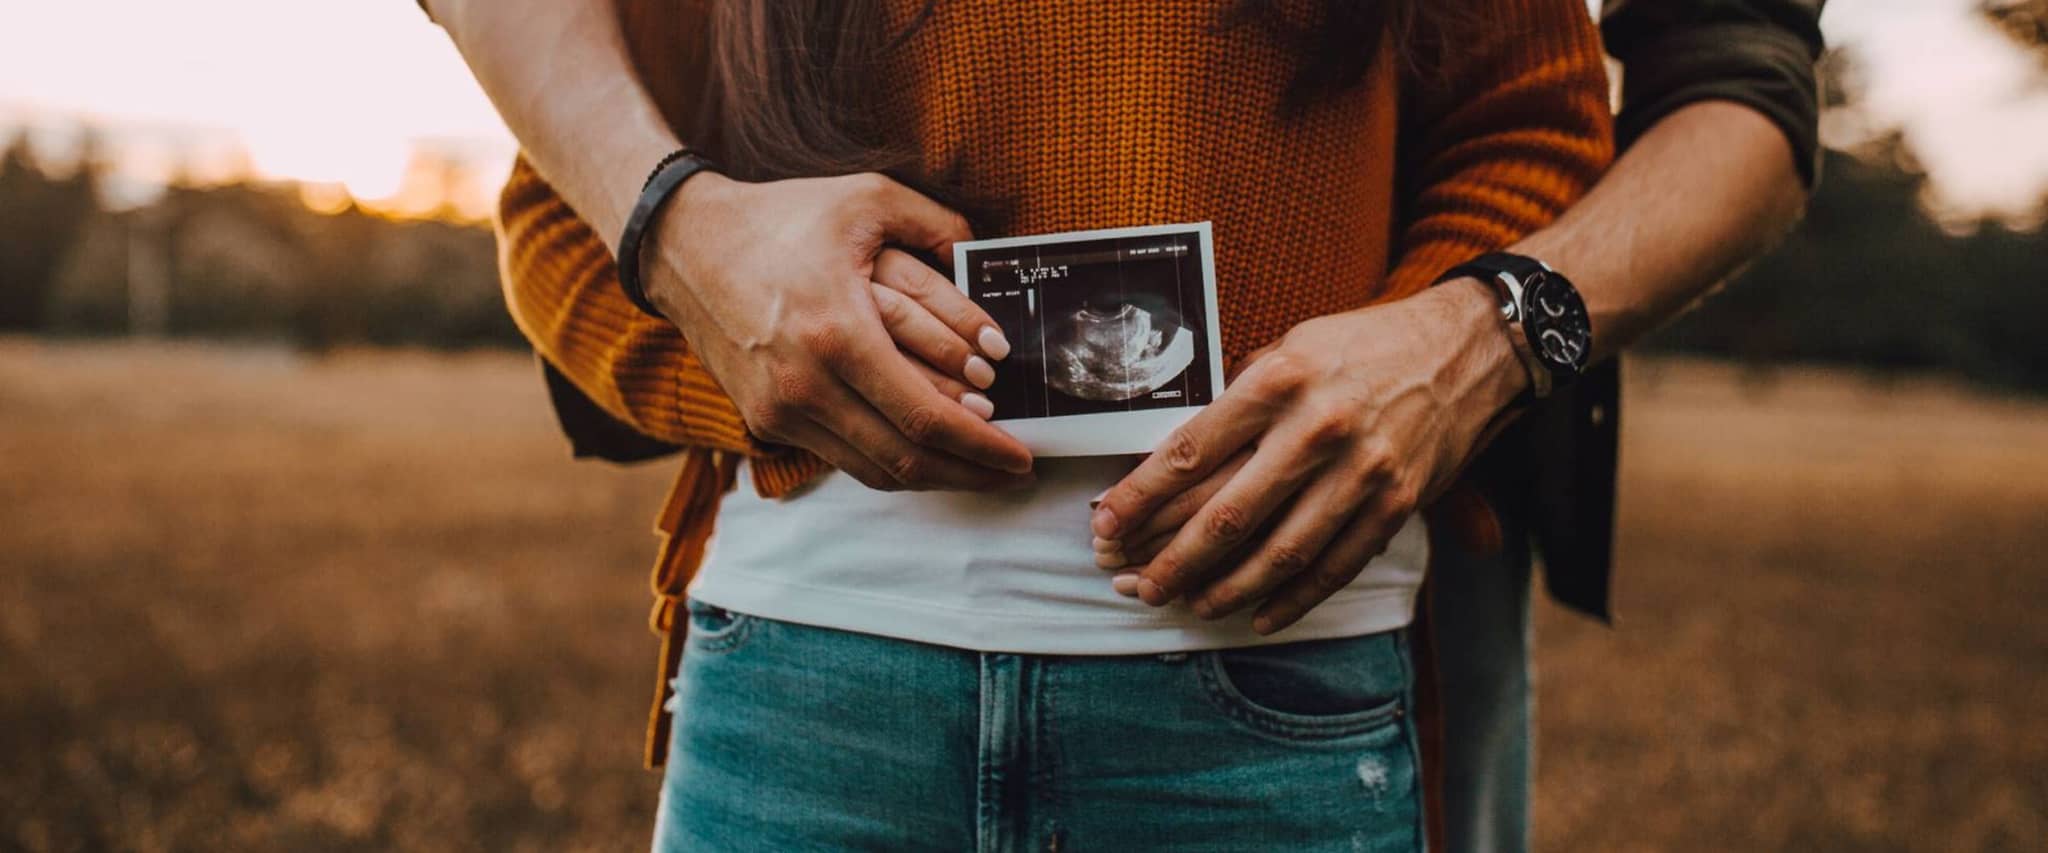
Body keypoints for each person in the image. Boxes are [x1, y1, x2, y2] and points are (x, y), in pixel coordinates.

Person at [424, 0, 1612, 849]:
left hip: (1274, 683)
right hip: (799, 694)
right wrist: (734, 348)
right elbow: (566, 207)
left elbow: (1529, 128)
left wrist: (1434, 356)